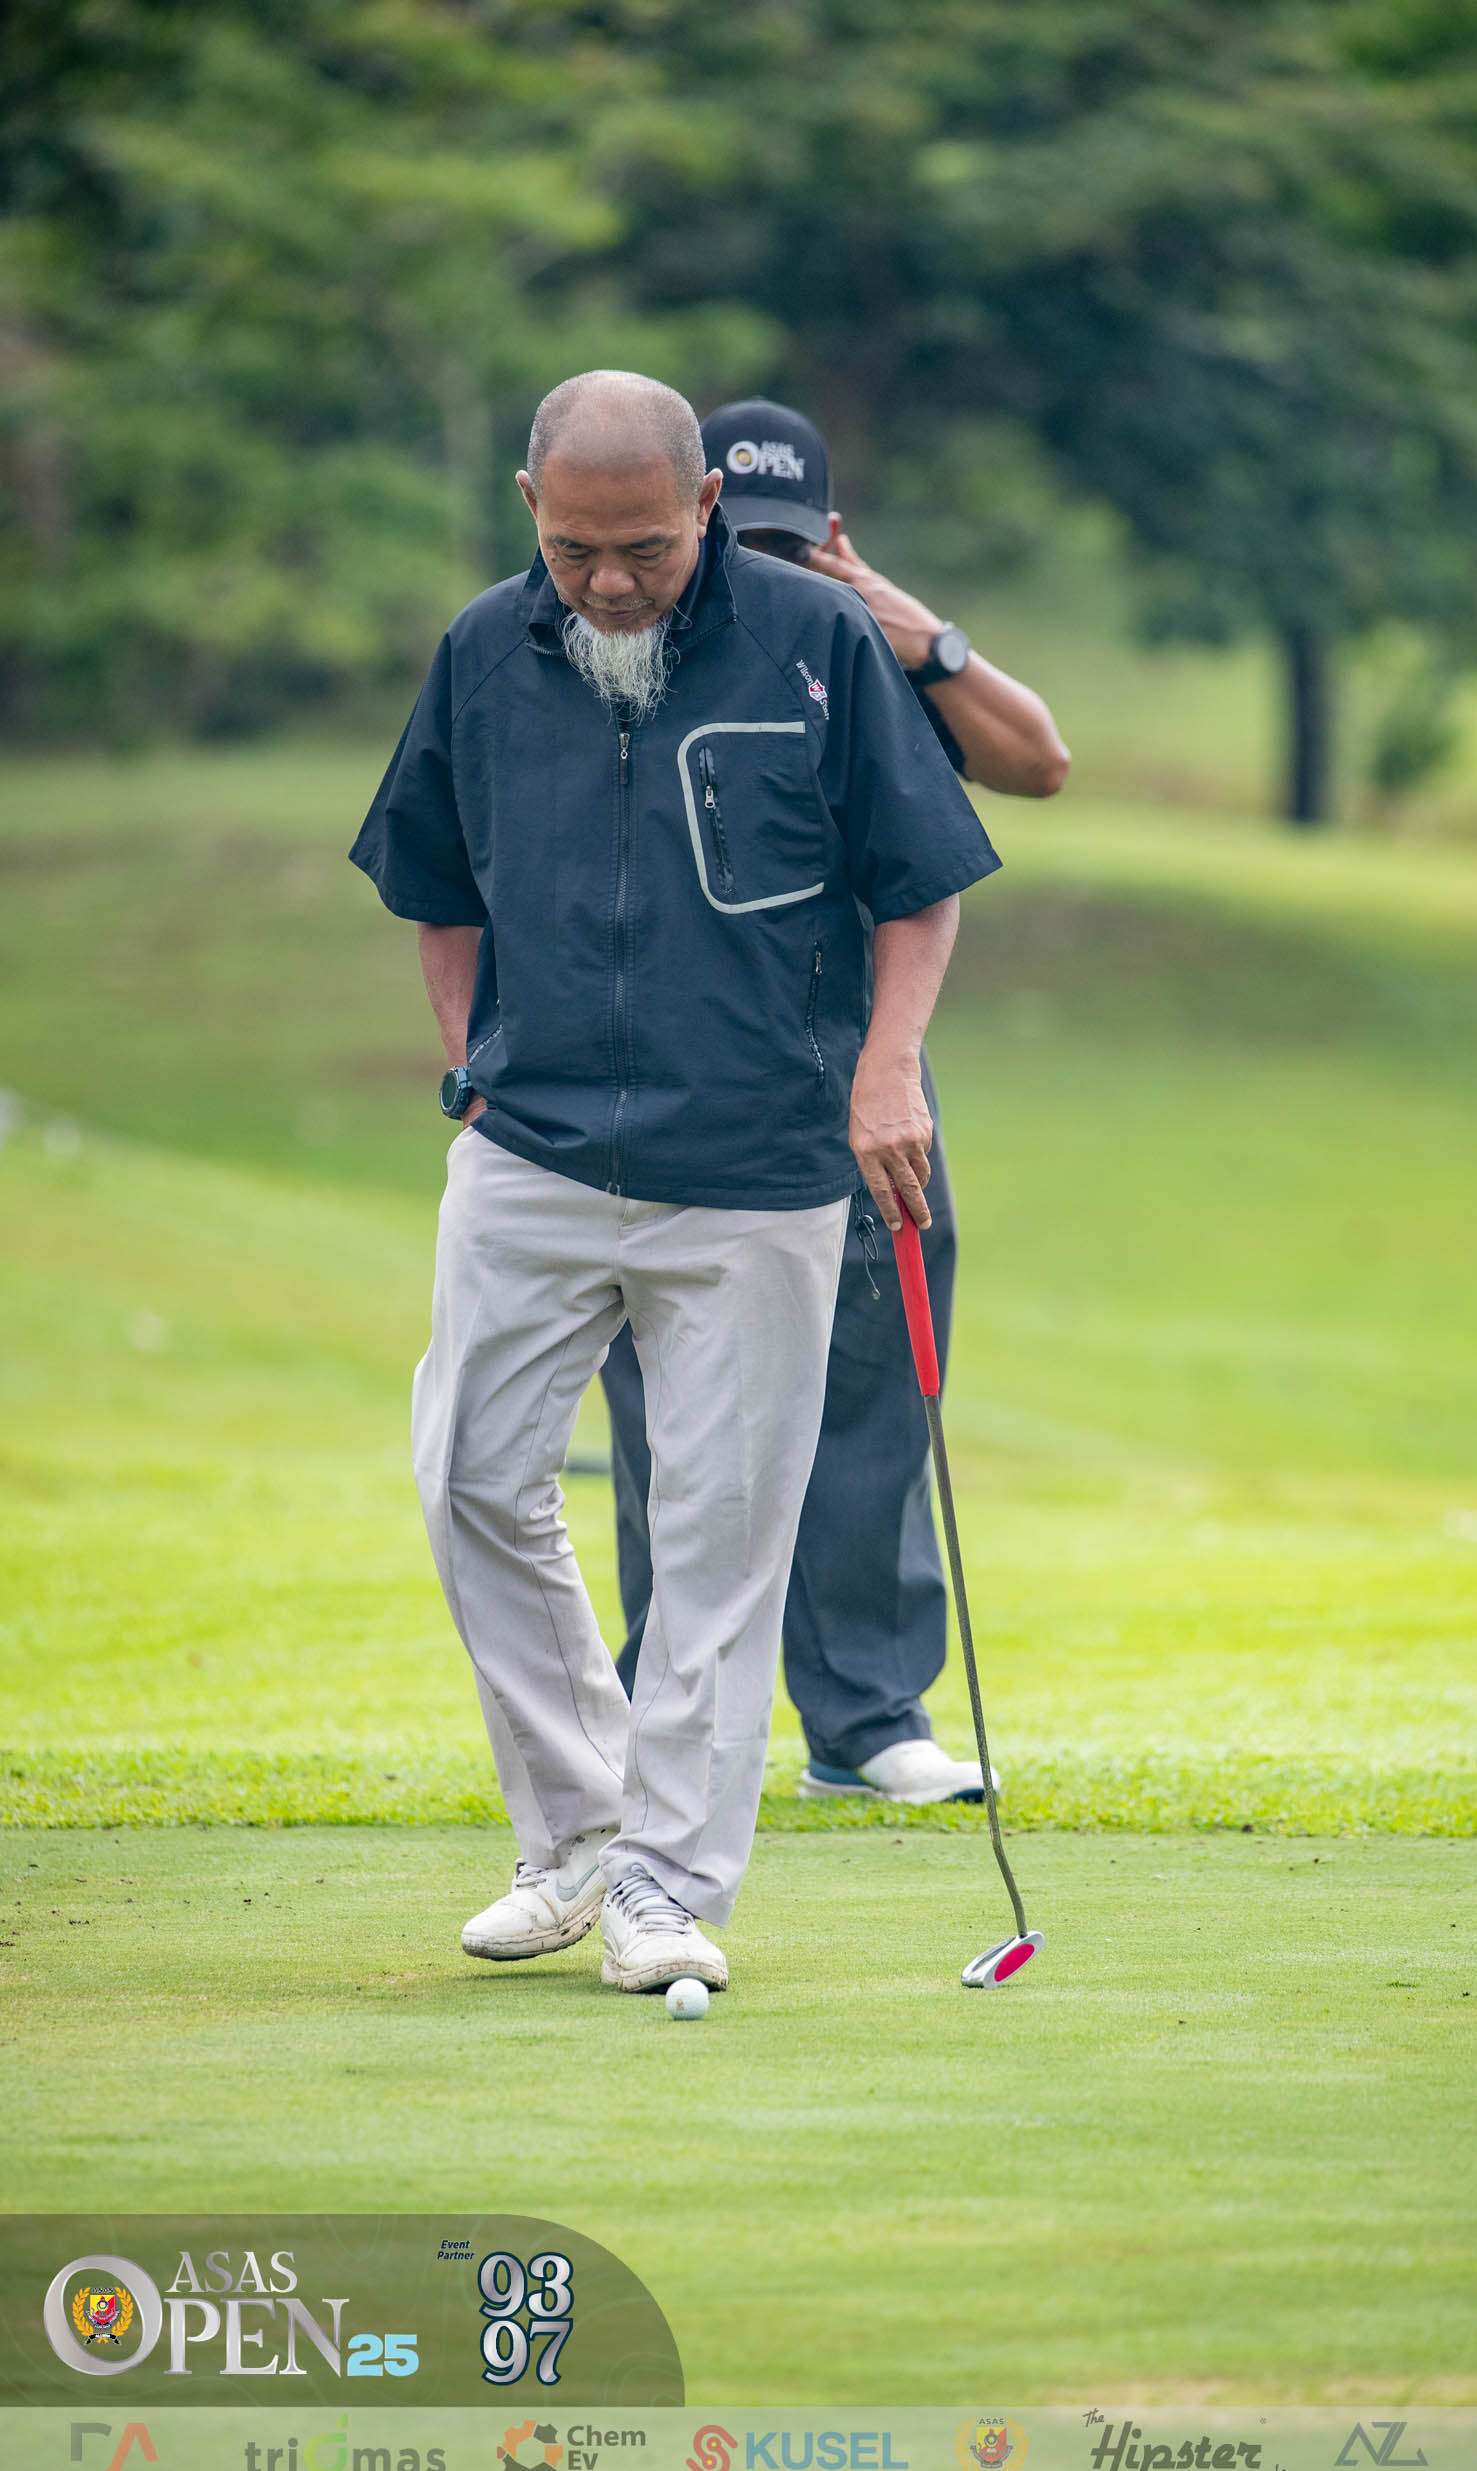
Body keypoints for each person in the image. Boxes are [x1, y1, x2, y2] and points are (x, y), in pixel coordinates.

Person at [350, 371, 999, 1995]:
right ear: (530, 509)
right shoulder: (483, 652)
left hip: (764, 1162)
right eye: (576, 550)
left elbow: (921, 885)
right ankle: (579, 1828)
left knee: (720, 1533)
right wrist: (469, 1066)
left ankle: (664, 1881)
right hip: (535, 1145)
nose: (611, 582)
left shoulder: (816, 640)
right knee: (469, 1475)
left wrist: (887, 1070)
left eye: (644, 547)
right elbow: (435, 882)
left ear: (706, 504)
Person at [600, 399, 1069, 1806]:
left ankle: (865, 1721)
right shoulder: (623, 654)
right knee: (670, 1418)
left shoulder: (861, 654)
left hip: (859, 1082)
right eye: (741, 542)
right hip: (673, 1089)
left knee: (874, 1391)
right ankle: (664, 1722)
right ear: (692, 521)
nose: (767, 568)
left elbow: (1038, 762)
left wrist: (915, 628)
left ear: (832, 539)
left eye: (792, 546)